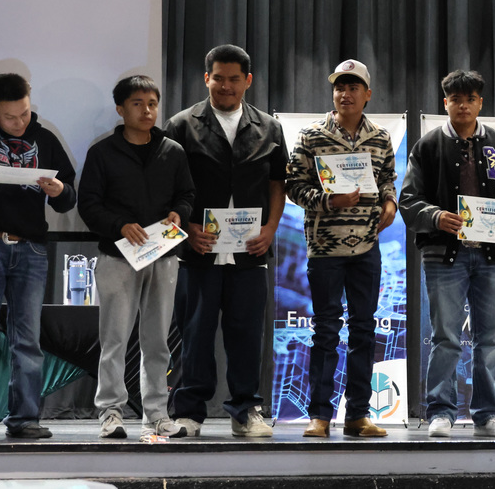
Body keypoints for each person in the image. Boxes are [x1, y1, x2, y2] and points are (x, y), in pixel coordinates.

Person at [165, 45, 287, 437]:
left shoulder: (269, 127)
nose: (226, 86)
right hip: (197, 250)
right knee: (195, 334)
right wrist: (185, 232)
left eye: (235, 79)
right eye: (219, 77)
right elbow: (166, 190)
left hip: (251, 251)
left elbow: (277, 183)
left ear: (248, 81)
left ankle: (246, 411)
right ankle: (189, 413)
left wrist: (270, 229)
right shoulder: (181, 124)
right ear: (207, 78)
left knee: (247, 335)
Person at [399, 70, 495, 439]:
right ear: (446, 103)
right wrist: (436, 217)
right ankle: (440, 411)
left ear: (480, 103)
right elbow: (408, 201)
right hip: (444, 256)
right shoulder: (427, 145)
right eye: (455, 99)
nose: (463, 105)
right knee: (446, 338)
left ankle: (488, 413)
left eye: (470, 98)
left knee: (490, 339)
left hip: (493, 257)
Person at [78, 75, 194, 439]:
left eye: (152, 104)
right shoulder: (102, 153)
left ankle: (156, 414)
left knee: (158, 340)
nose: (147, 111)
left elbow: (186, 194)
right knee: (113, 339)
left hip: (163, 256)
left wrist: (180, 213)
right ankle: (111, 413)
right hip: (118, 256)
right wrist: (119, 225)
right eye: (137, 103)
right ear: (120, 108)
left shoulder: (172, 151)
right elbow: (89, 206)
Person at [286, 59, 398, 438]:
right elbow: (293, 186)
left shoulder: (380, 137)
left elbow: (388, 180)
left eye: (353, 87)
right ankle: (319, 415)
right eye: (339, 87)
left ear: (367, 94)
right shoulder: (311, 135)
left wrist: (390, 204)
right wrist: (327, 202)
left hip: (367, 246)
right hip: (325, 248)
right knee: (325, 332)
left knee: (364, 331)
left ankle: (358, 416)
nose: (345, 93)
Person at [0, 72, 76, 439]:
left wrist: (58, 189)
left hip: (30, 248)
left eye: (24, 113)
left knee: (27, 339)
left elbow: (69, 195)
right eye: (10, 116)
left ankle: (25, 418)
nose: (19, 122)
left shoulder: (45, 139)